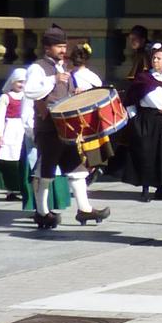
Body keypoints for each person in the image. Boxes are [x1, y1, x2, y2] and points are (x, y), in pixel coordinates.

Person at [19, 26, 75, 231]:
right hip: (48, 126)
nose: (63, 50)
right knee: (46, 169)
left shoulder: (61, 66)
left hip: (64, 126)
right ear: (48, 47)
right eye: (59, 46)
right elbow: (31, 91)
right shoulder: (38, 68)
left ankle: (85, 208)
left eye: (64, 46)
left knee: (76, 167)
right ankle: (42, 212)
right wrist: (53, 80)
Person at [124, 42, 162, 199]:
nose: (155, 61)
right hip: (146, 121)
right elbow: (130, 100)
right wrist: (135, 119)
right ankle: (145, 189)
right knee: (146, 154)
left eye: (159, 58)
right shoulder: (143, 78)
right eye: (154, 58)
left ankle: (161, 188)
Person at [62, 41, 112, 225]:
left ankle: (83, 208)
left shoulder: (70, 76)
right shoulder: (87, 77)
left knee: (79, 169)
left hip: (80, 126)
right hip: (86, 127)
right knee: (75, 168)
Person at [0, 68, 28, 201]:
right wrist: (0, 135)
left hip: (23, 129)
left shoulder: (27, 97)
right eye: (19, 82)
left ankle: (23, 187)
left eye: (24, 82)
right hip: (11, 130)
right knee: (9, 159)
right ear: (12, 82)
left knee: (21, 159)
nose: (22, 85)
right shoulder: (5, 97)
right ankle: (10, 190)